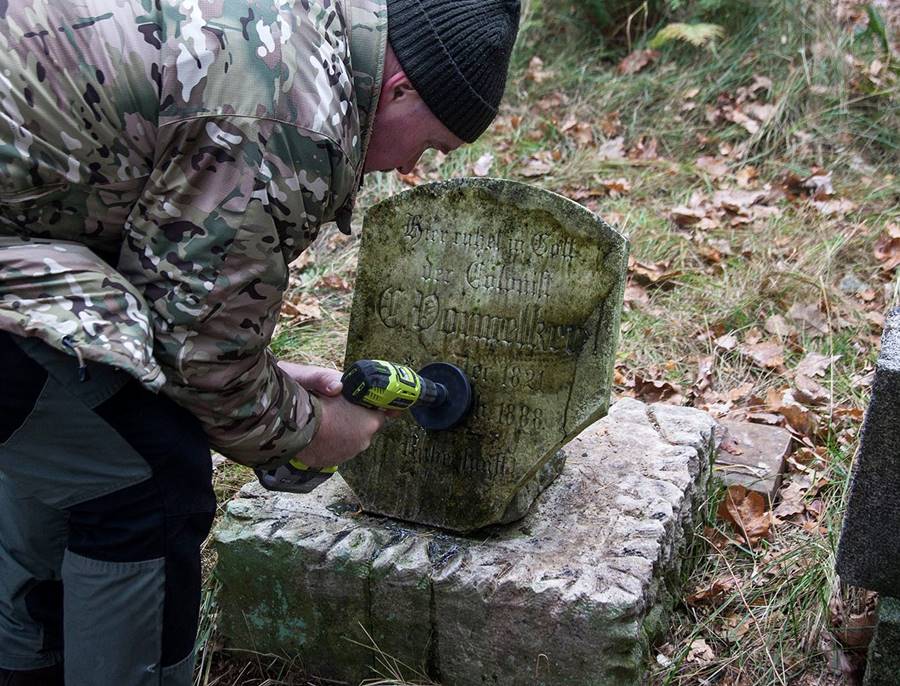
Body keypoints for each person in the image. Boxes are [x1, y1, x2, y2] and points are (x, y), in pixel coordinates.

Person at [0, 0, 520, 683]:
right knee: (149, 474)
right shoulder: (292, 112)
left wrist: (260, 378)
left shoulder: (291, 28)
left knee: (79, 436)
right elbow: (199, 358)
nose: (412, 168)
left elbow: (176, 298)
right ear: (399, 91)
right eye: (429, 147)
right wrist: (309, 431)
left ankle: (26, 664)